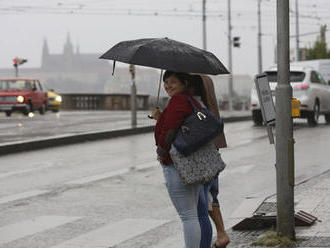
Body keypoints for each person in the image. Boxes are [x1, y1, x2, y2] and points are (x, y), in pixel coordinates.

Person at [151, 70, 204, 248]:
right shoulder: (189, 100)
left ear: (184, 83)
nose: (168, 85)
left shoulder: (178, 101)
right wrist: (160, 117)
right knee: (192, 214)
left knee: (188, 216)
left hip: (177, 164)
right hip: (190, 162)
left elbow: (171, 130)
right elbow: (176, 124)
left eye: (173, 81)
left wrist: (162, 152)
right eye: (166, 82)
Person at [188, 74, 230, 248]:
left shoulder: (192, 81)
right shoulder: (205, 78)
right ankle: (221, 234)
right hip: (212, 142)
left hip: (204, 147)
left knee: (205, 199)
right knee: (210, 194)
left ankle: (220, 234)